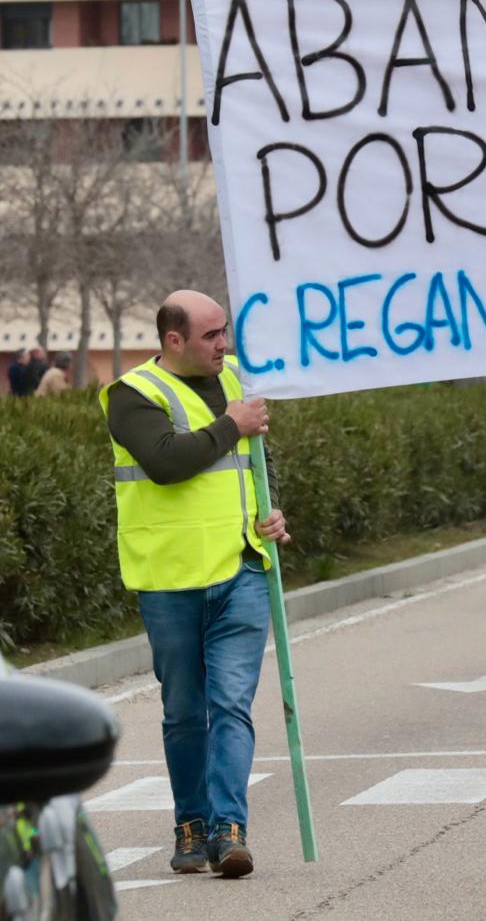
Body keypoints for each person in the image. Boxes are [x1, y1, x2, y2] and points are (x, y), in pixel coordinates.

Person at [100, 290, 289, 880]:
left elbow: (259, 461)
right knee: (185, 712)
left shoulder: (236, 377)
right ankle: (192, 824)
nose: (223, 344)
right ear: (173, 340)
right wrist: (231, 424)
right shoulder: (132, 395)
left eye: (224, 332)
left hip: (243, 568)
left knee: (231, 703)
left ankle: (230, 829)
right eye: (210, 335)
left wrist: (272, 509)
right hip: (171, 579)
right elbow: (166, 461)